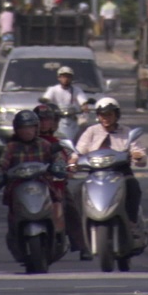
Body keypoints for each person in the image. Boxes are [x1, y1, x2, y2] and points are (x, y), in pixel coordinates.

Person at [0, 110, 68, 258]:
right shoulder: (11, 147)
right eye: (23, 128)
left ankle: (58, 235)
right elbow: (2, 164)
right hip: (18, 188)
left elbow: (57, 157)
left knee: (58, 205)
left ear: (36, 128)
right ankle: (14, 236)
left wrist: (59, 166)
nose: (27, 131)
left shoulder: (44, 144)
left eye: (30, 127)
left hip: (42, 185)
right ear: (16, 130)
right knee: (12, 214)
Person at [71, 97, 147, 234]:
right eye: (102, 115)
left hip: (120, 173)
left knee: (133, 186)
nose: (106, 118)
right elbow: (79, 151)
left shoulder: (126, 132)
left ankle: (132, 223)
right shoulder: (91, 131)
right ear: (98, 116)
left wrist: (138, 155)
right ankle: (81, 230)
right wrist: (73, 161)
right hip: (95, 174)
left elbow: (139, 154)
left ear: (116, 115)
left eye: (109, 114)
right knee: (78, 191)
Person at [33, 104, 92, 260]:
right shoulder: (26, 140)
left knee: (72, 210)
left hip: (55, 185)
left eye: (48, 120)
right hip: (31, 185)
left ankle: (81, 246)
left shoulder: (60, 140)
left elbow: (69, 159)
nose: (45, 123)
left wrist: (70, 168)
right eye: (41, 120)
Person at [41, 66, 89, 141]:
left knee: (84, 127)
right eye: (63, 77)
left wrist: (84, 106)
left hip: (72, 118)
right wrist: (46, 101)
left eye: (68, 77)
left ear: (71, 78)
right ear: (59, 78)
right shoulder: (53, 89)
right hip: (57, 118)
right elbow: (47, 98)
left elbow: (82, 100)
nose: (66, 79)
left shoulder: (76, 90)